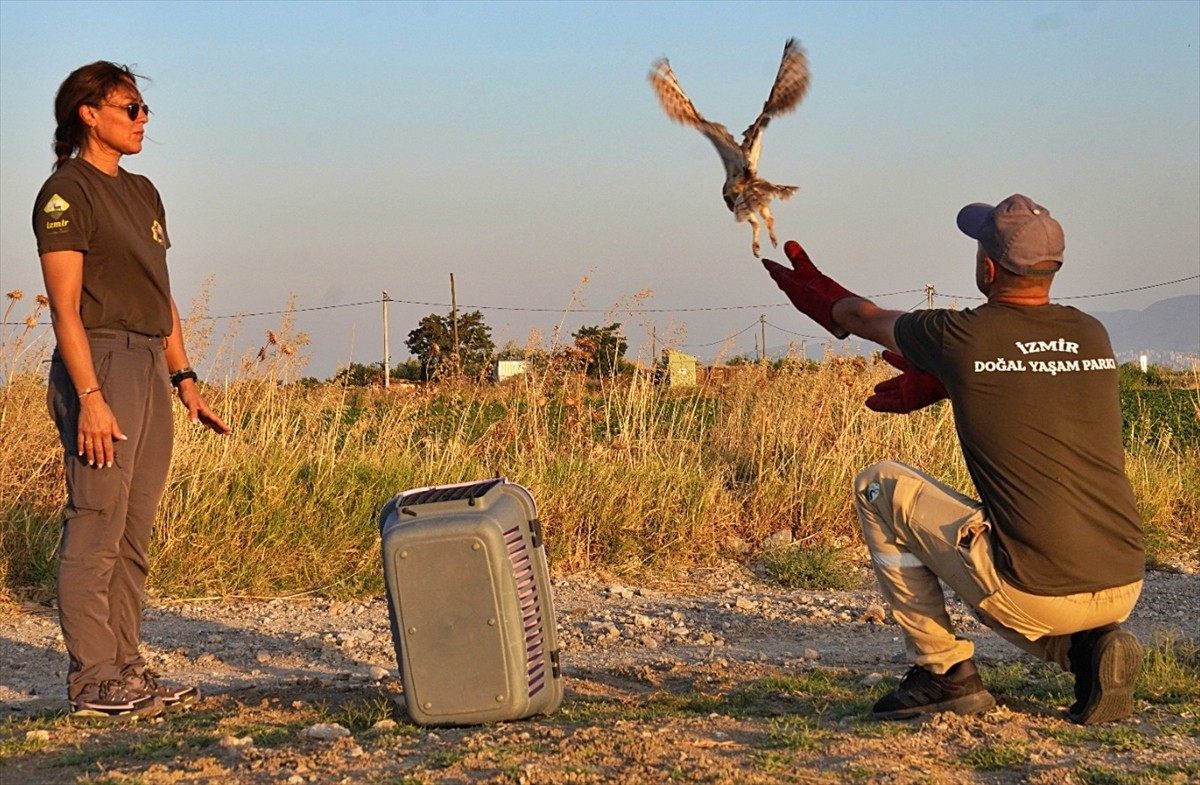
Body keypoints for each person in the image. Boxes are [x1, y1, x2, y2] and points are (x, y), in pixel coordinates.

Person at [762, 194, 1145, 725]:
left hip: (1037, 590)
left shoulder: (958, 335)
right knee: (1020, 561)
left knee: (879, 485)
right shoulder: (1090, 332)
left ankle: (942, 671)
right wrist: (948, 381)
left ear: (987, 269)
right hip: (1124, 580)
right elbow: (1025, 378)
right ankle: (1088, 651)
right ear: (1053, 267)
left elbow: (863, 316)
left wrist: (819, 295)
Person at [33, 61, 231, 721]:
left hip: (148, 362)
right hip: (102, 358)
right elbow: (64, 310)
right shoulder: (67, 193)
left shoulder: (143, 192)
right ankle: (92, 677)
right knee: (97, 520)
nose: (144, 120)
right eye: (132, 108)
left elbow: (161, 293)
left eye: (144, 109)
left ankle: (126, 665)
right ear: (89, 113)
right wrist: (89, 394)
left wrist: (185, 378)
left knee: (134, 527)